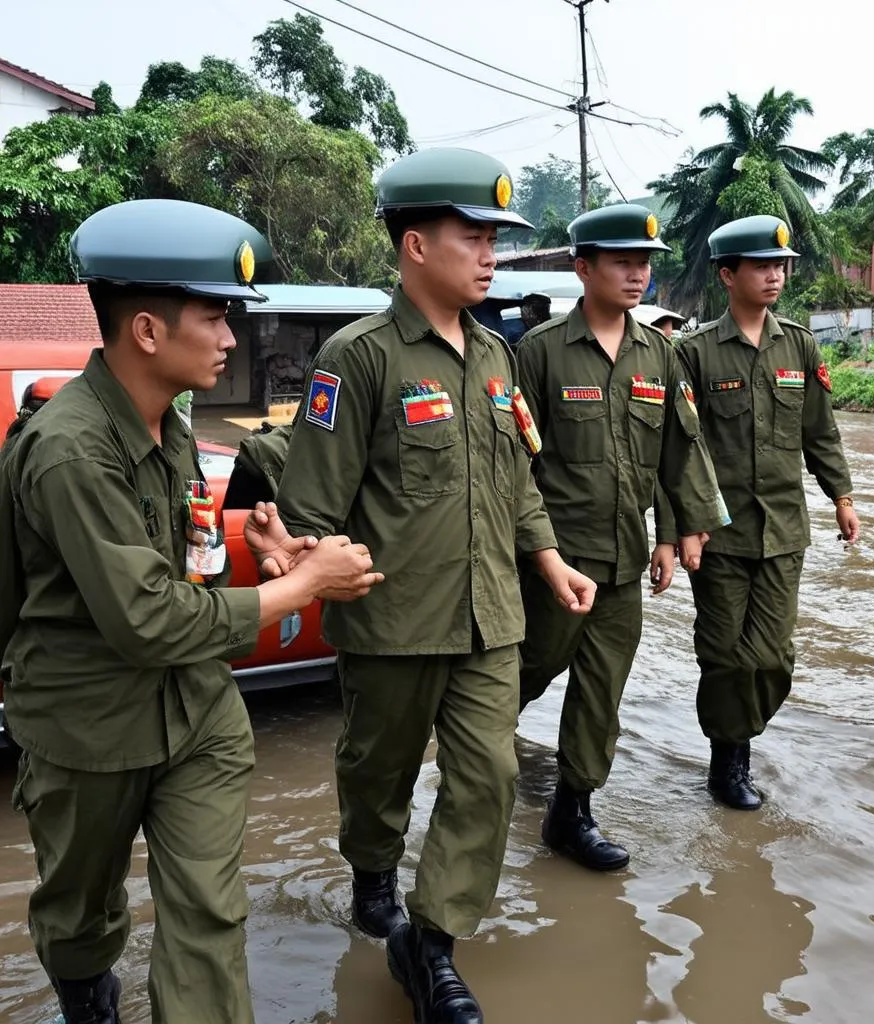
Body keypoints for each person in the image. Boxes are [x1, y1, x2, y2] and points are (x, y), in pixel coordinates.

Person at [0, 198, 382, 1024]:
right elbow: (141, 618)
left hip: (197, 715)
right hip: (88, 726)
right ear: (148, 331)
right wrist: (301, 589)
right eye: (214, 316)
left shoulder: (177, 428)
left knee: (206, 917)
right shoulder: (68, 451)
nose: (231, 338)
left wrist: (261, 551)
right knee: (79, 915)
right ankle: (89, 997)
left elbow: (180, 568)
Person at [263, 147, 596, 1024]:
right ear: (415, 245)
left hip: (490, 617)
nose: (490, 253)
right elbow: (311, 503)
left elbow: (517, 478)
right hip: (392, 623)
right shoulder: (358, 357)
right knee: (379, 772)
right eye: (473, 235)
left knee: (486, 775)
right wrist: (298, 566)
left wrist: (550, 558)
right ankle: (372, 867)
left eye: (496, 237)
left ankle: (432, 941)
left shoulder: (495, 356)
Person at [515, 204, 728, 871]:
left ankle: (572, 812)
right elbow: (514, 465)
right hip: (554, 563)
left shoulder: (659, 355)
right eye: (622, 262)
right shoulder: (541, 352)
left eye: (645, 263)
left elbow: (678, 454)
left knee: (601, 692)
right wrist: (537, 556)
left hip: (622, 567)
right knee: (520, 675)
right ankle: (477, 770)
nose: (638, 274)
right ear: (584, 268)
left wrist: (676, 533)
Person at [677, 214, 860, 810]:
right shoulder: (697, 352)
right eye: (762, 265)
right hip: (720, 534)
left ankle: (736, 741)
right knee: (725, 655)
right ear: (728, 275)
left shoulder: (800, 344)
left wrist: (842, 497)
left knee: (773, 657)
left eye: (781, 265)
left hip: (783, 530)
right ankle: (728, 764)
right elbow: (683, 446)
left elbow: (820, 432)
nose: (776, 274)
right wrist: (688, 525)